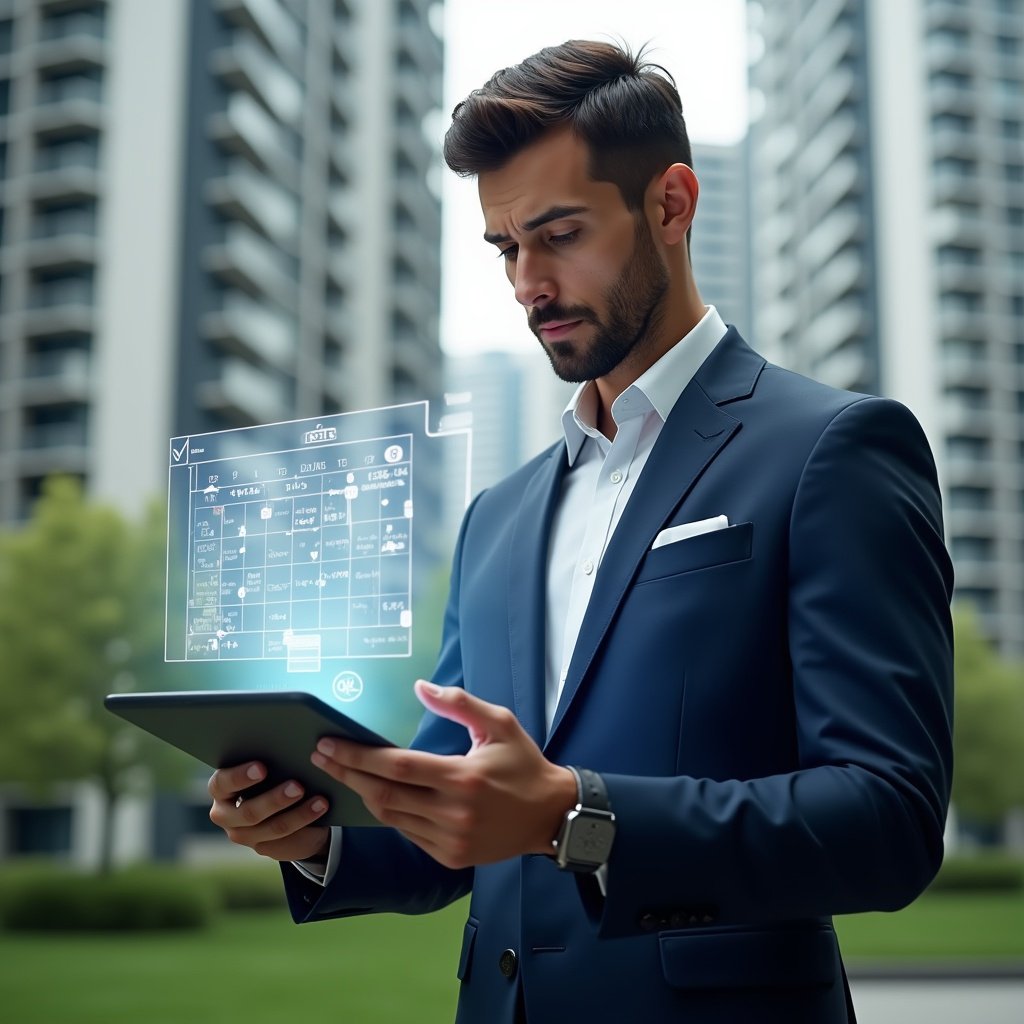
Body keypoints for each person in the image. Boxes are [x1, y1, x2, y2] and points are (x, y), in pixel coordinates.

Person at [208, 40, 953, 1024]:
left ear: (671, 205)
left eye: (558, 234)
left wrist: (574, 815)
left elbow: (888, 820)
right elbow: (460, 810)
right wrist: (310, 828)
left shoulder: (834, 450)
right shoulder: (496, 518)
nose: (527, 282)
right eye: (506, 248)